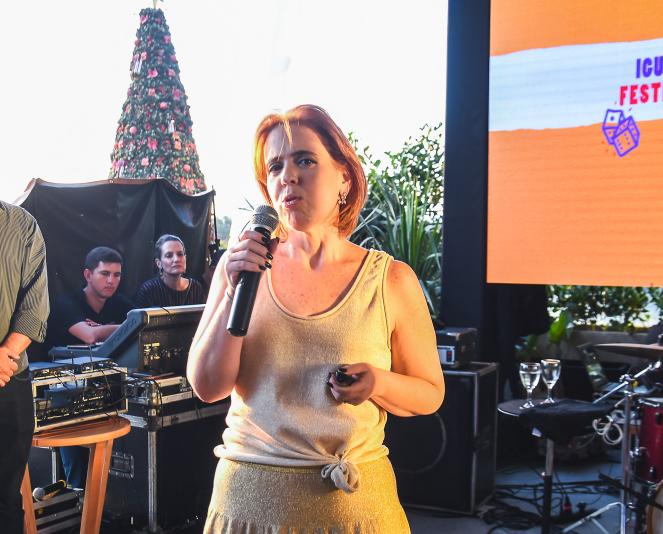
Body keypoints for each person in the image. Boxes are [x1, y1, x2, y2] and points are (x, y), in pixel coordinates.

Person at [188, 104, 445, 533]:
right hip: (247, 511)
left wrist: (378, 383)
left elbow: (430, 393)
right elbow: (208, 387)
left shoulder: (390, 280)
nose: (287, 176)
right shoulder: (240, 269)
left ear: (345, 176)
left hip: (359, 514)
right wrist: (233, 288)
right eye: (275, 167)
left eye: (305, 160)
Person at [47, 246, 134, 489]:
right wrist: (122, 327)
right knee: (78, 466)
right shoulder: (66, 304)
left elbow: (141, 322)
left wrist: (108, 328)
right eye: (105, 274)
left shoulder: (122, 304)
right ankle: (77, 499)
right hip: (67, 394)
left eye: (117, 275)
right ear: (88, 275)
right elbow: (89, 336)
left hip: (108, 392)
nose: (111, 281)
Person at [0, 201, 49, 534]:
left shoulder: (23, 225)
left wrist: (6, 354)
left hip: (10, 379)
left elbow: (35, 309)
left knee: (6, 500)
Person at [134, 234, 207, 308]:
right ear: (159, 263)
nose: (176, 259)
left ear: (185, 258)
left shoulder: (195, 288)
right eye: (169, 255)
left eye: (180, 254)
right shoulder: (148, 290)